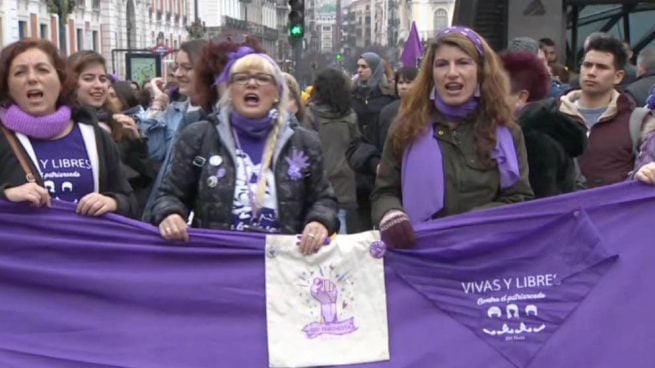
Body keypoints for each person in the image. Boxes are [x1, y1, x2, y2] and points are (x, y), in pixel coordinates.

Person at [150, 51, 338, 255]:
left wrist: (320, 221)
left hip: (283, 268)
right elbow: (169, 195)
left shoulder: (304, 143)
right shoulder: (199, 137)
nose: (251, 84)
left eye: (263, 79)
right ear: (230, 91)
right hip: (219, 263)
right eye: (241, 79)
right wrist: (170, 214)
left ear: (277, 93)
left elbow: (324, 199)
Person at [371, 27, 533, 249]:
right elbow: (384, 191)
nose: (452, 72)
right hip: (420, 258)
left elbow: (519, 199)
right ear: (431, 74)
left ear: (481, 71)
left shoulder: (506, 131)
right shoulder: (405, 128)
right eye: (442, 64)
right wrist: (390, 214)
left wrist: (467, 224)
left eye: (463, 63)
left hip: (484, 259)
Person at [0, 39, 134, 217]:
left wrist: (113, 202)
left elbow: (129, 200)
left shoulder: (94, 135)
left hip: (87, 243)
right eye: (20, 72)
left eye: (42, 69)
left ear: (61, 80)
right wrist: (6, 196)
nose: (32, 78)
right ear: (7, 86)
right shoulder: (3, 137)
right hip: (25, 245)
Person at [559, 36, 655, 188]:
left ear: (618, 76)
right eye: (587, 65)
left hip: (614, 209)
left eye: (602, 67)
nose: (591, 72)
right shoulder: (553, 116)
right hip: (559, 209)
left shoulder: (637, 120)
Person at [501, 52, 587, 198]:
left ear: (521, 97)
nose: (487, 96)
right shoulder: (550, 127)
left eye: (497, 90)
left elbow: (538, 203)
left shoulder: (531, 138)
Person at [304, 68, 359, 234]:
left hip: (319, 184)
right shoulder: (350, 115)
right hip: (346, 185)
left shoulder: (310, 114)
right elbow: (356, 145)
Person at [350, 52, 396, 232]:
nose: (359, 70)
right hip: (358, 163)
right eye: (358, 66)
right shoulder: (352, 96)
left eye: (364, 67)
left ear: (375, 69)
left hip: (381, 162)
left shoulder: (388, 97)